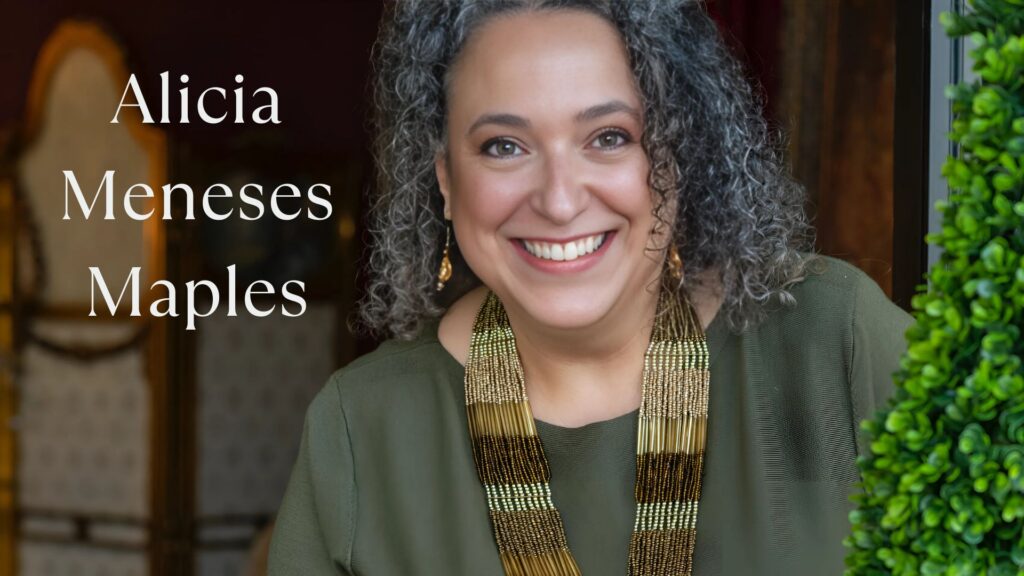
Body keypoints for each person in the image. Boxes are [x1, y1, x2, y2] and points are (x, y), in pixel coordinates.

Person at [268, 1, 913, 574]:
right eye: (503, 146)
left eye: (608, 138)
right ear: (445, 178)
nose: (558, 199)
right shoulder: (360, 427)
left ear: (675, 153)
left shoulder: (834, 340)